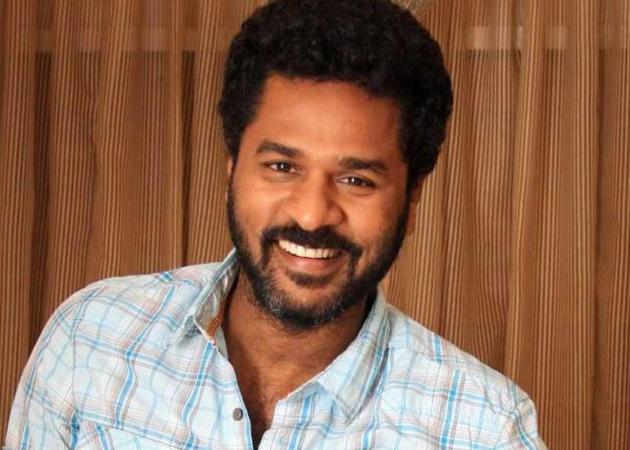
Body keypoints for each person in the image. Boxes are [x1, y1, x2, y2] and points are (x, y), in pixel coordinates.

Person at [4, 0, 548, 448]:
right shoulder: (91, 338)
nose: (312, 214)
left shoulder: (486, 429)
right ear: (232, 168)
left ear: (411, 200)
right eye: (282, 167)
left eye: (356, 179)